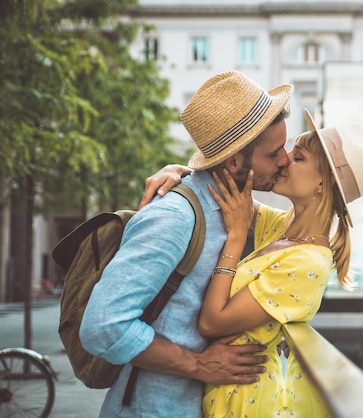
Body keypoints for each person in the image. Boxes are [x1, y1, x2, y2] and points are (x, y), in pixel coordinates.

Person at [78, 70, 294, 418]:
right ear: (234, 161)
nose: (284, 159)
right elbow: (102, 325)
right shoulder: (175, 217)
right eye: (274, 153)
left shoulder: (230, 208)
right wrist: (198, 365)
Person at [144, 109, 363, 417]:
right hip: (226, 390)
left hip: (245, 401)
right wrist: (179, 170)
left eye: (298, 158)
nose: (283, 160)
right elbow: (224, 186)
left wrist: (235, 239)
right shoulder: (284, 228)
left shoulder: (307, 263)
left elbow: (211, 322)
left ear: (322, 184)